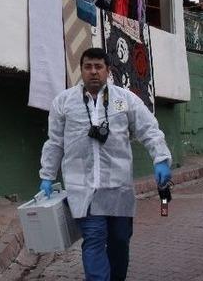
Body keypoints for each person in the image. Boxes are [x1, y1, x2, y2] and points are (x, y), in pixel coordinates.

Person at [39, 47, 172, 281]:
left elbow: (149, 130)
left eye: (98, 67)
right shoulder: (64, 102)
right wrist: (47, 175)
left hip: (118, 188)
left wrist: (161, 159)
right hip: (83, 188)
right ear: (80, 70)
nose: (93, 72)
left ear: (108, 71)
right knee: (94, 239)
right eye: (88, 66)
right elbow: (55, 142)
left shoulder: (125, 99)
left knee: (120, 241)